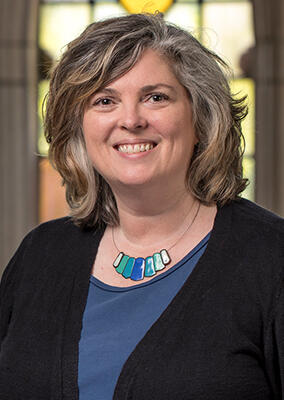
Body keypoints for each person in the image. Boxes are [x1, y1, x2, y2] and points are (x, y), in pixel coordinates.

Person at [0, 12, 283, 400]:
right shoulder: (39, 256)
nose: (130, 120)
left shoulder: (272, 258)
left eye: (156, 97)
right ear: (79, 127)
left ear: (200, 118)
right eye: (104, 100)